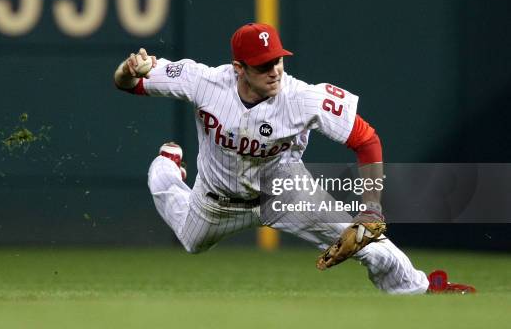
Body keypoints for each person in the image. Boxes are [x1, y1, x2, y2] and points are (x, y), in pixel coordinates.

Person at [113, 22, 475, 294]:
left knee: (372, 248)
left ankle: (425, 290)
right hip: (217, 201)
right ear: (238, 67)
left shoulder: (301, 97)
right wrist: (127, 71)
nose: (274, 70)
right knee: (187, 235)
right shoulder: (202, 81)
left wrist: (372, 208)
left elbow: (367, 140)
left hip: (284, 189)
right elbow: (128, 84)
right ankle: (167, 165)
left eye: (277, 61)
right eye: (262, 65)